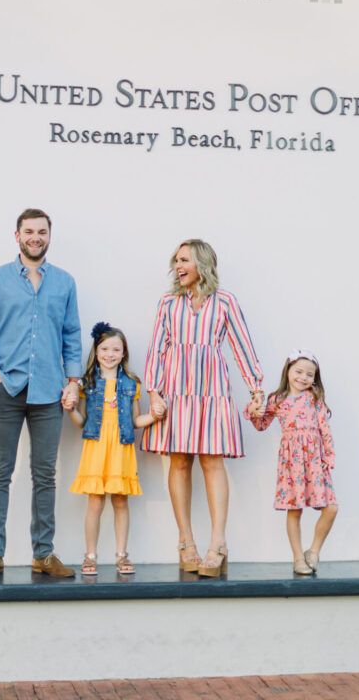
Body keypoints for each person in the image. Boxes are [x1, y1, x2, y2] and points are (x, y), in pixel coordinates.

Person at [0, 207, 82, 579]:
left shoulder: (64, 283)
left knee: (44, 475)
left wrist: (73, 381)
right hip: (6, 390)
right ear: (16, 235)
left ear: (50, 236)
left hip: (49, 391)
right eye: (29, 231)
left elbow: (71, 336)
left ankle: (44, 555)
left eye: (42, 232)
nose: (36, 237)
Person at [141, 239, 264, 577]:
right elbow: (156, 349)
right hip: (175, 391)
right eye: (176, 260)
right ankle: (186, 542)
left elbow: (242, 345)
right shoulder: (168, 303)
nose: (178, 266)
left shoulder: (225, 302)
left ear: (203, 265)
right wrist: (154, 393)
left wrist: (256, 388)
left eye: (185, 260)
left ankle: (218, 544)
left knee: (212, 462)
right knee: (179, 462)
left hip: (212, 391)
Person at [67, 321, 164, 574]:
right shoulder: (87, 383)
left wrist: (154, 417)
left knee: (121, 502)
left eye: (116, 350)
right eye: (105, 349)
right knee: (95, 503)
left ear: (124, 354)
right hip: (96, 449)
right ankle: (90, 555)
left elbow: (135, 421)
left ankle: (122, 555)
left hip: (121, 449)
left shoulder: (132, 384)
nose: (110, 355)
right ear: (96, 352)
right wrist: (71, 410)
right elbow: (82, 423)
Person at [245, 349, 338, 575]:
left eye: (309, 375)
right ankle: (298, 558)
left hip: (315, 458)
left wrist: (328, 454)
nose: (303, 378)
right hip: (292, 460)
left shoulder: (313, 398)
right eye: (298, 371)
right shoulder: (276, 399)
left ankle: (313, 551)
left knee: (331, 508)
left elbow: (324, 428)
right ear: (288, 371)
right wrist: (252, 410)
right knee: (294, 510)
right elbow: (261, 424)